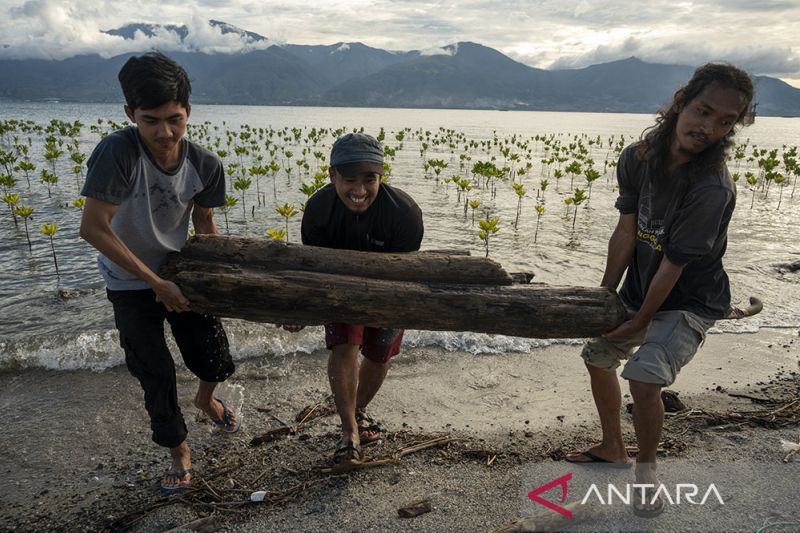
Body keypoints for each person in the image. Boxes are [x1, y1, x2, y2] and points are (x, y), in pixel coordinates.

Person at [565, 63, 755, 517]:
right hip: (641, 289)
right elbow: (626, 232)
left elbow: (674, 262)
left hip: (690, 300)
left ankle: (646, 470)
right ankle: (614, 446)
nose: (709, 128)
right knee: (597, 357)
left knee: (643, 377)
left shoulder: (711, 187)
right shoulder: (637, 158)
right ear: (680, 101)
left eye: (725, 121)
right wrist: (604, 297)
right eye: (702, 111)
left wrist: (642, 319)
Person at [79, 52, 240, 494]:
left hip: (181, 273)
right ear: (131, 114)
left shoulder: (205, 164)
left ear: (188, 111)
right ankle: (178, 449)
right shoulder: (118, 152)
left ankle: (205, 399)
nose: (164, 132)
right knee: (154, 371)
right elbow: (93, 228)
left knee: (215, 358)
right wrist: (155, 284)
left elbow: (205, 226)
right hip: (130, 282)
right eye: (150, 120)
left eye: (174, 118)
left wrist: (220, 282)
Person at [286, 132, 423, 470]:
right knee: (345, 345)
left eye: (369, 179)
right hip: (338, 289)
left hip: (389, 290)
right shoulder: (318, 209)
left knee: (379, 355)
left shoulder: (405, 212)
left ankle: (357, 412)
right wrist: (300, 307)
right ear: (332, 175)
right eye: (350, 180)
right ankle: (349, 434)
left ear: (381, 176)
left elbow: (407, 273)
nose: (359, 190)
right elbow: (313, 270)